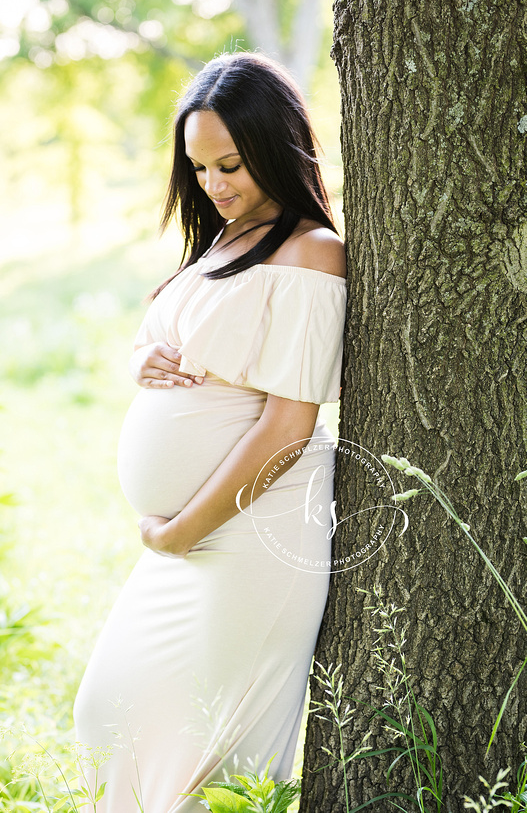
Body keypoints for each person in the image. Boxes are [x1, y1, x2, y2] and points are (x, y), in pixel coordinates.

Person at [73, 51, 347, 813]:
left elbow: (289, 426)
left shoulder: (311, 253)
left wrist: (182, 530)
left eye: (231, 164)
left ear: (276, 149)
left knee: (210, 758)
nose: (215, 185)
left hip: (247, 539)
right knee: (108, 715)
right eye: (199, 170)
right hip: (186, 546)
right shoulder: (221, 245)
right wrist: (142, 358)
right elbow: (181, 337)